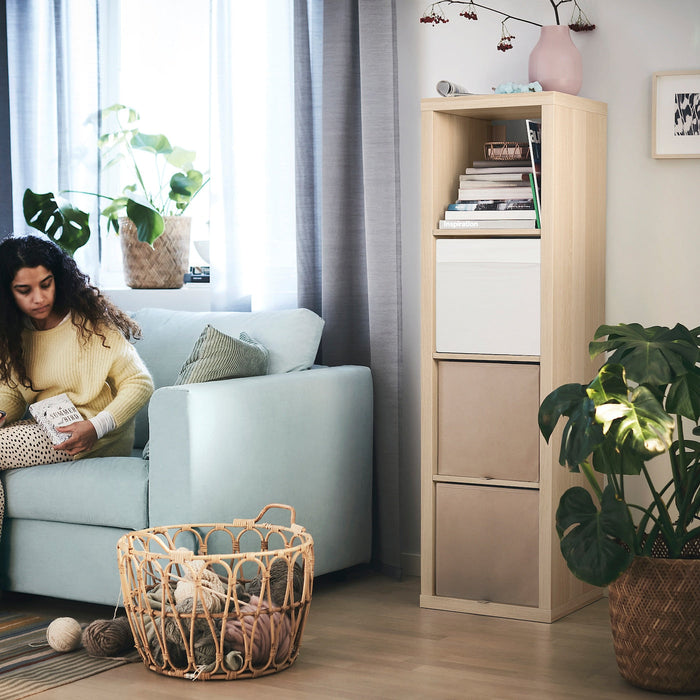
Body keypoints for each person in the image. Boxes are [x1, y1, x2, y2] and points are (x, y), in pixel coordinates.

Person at [0, 233, 154, 542]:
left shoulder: (92, 324)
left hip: (90, 435)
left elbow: (140, 383)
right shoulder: (13, 332)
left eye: (46, 284)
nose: (39, 298)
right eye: (24, 290)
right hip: (43, 425)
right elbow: (13, 390)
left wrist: (96, 427)